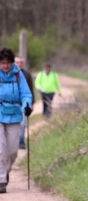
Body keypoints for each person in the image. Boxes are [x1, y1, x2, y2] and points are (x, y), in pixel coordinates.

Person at [0, 47, 32, 193]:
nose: (5, 66)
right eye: (2, 63)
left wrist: (26, 106)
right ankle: (1, 180)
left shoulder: (18, 75)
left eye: (7, 63)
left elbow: (26, 94)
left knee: (12, 151)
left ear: (12, 63)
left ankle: (5, 172)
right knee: (0, 149)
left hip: (14, 114)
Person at [15, 56, 35, 149]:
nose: (19, 64)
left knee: (23, 124)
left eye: (21, 62)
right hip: (11, 104)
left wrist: (32, 103)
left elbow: (30, 89)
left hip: (24, 103)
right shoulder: (8, 74)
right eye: (17, 62)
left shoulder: (27, 75)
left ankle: (21, 142)